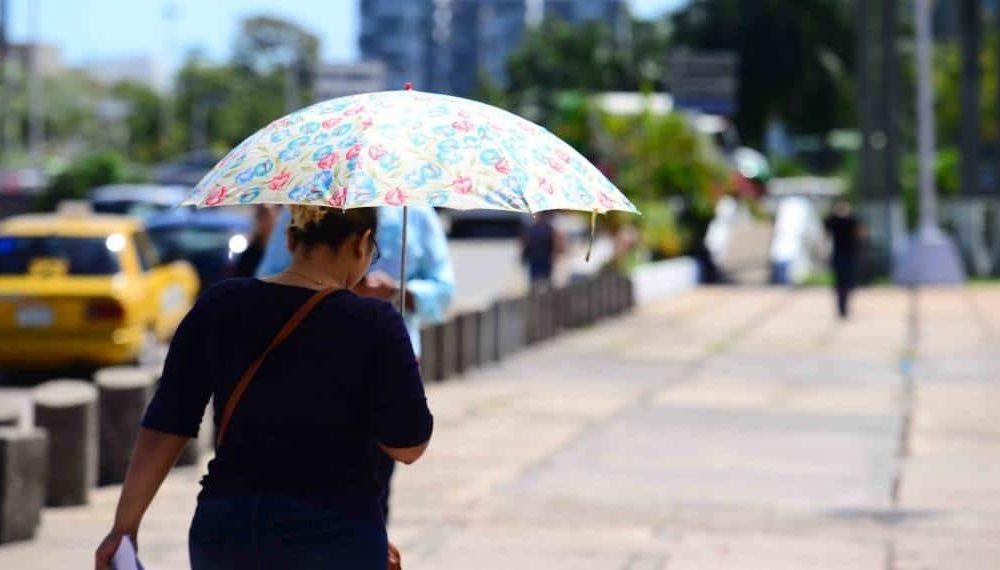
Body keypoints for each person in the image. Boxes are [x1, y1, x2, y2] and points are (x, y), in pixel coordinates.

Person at [95, 205, 432, 570]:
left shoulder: (219, 304)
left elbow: (166, 425)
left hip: (229, 531)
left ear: (289, 239)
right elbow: (408, 446)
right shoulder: (375, 321)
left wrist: (123, 528)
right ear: (362, 242)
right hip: (337, 533)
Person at [255, 205, 454, 520]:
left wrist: (400, 292)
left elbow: (444, 289)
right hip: (309, 362)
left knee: (372, 484)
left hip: (386, 367)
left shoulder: (415, 212)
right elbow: (270, 278)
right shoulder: (306, 206)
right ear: (364, 245)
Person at [824, 199, 862, 319]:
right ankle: (843, 308)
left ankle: (842, 307)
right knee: (844, 282)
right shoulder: (850, 220)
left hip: (844, 254)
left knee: (843, 283)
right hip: (845, 254)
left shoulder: (839, 220)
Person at [521, 211, 566, 289]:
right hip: (540, 260)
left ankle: (538, 293)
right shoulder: (549, 229)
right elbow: (557, 245)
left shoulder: (532, 229)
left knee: (538, 281)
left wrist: (523, 256)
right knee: (543, 281)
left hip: (538, 260)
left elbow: (526, 244)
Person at [232, 205, 278, 278]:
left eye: (269, 218)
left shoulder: (279, 247)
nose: (267, 223)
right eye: (263, 219)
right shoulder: (251, 251)